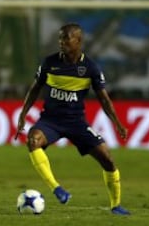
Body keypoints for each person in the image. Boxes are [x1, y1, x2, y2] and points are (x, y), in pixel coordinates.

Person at [16, 23, 130, 215]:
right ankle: (57, 189)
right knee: (33, 140)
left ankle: (116, 205)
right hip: (50, 121)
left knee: (108, 160)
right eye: (60, 38)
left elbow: (104, 99)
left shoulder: (90, 68)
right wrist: (22, 114)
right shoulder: (49, 63)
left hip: (77, 122)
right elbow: (35, 88)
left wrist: (117, 123)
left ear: (78, 41)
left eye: (66, 39)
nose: (61, 42)